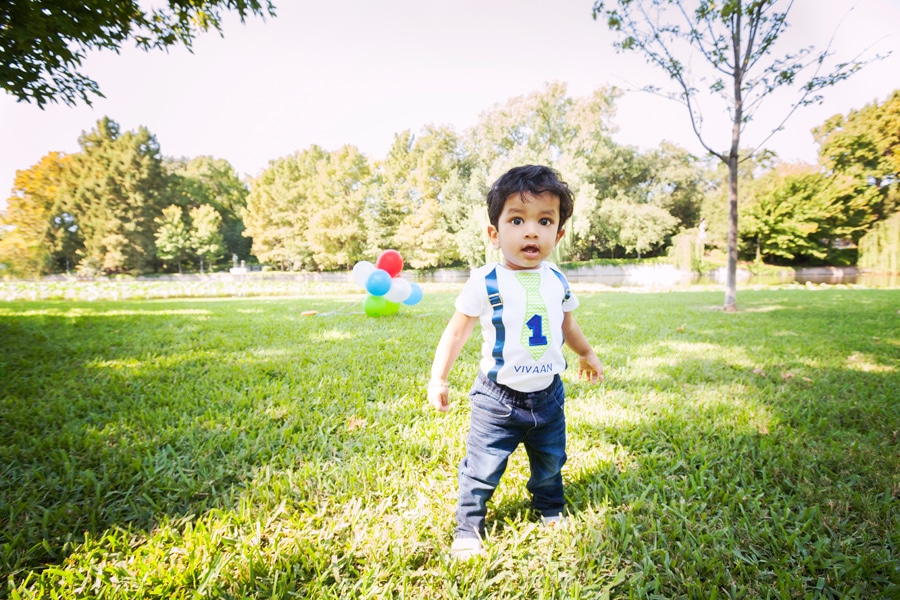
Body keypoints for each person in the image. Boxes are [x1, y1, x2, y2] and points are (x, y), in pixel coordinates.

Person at [427, 164, 604, 560]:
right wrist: (439, 378)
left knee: (551, 460)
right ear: (494, 234)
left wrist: (587, 353)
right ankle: (469, 525)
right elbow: (456, 332)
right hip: (497, 400)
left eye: (544, 221)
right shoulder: (484, 281)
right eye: (517, 220)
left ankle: (550, 507)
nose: (531, 231)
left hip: (548, 397)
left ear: (558, 235)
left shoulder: (557, 279)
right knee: (482, 467)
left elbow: (568, 324)